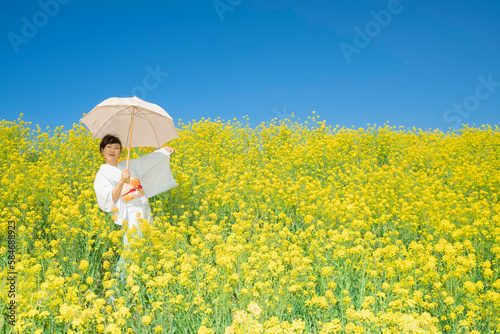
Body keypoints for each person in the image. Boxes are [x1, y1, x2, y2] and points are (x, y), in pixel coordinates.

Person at [93, 134, 177, 283]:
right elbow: (109, 199)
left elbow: (146, 162)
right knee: (130, 249)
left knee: (145, 246)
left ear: (121, 152)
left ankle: (137, 283)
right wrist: (120, 181)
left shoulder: (128, 165)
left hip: (143, 207)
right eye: (108, 147)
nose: (112, 150)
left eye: (117, 147)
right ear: (102, 150)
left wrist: (163, 151)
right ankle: (116, 290)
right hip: (130, 212)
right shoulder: (102, 175)